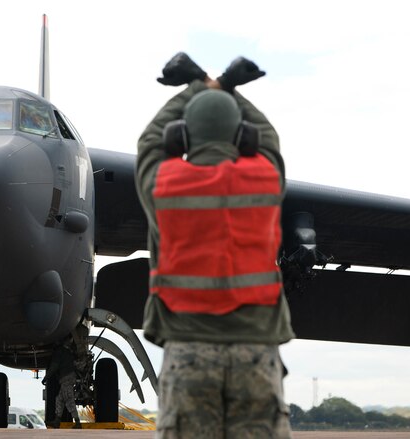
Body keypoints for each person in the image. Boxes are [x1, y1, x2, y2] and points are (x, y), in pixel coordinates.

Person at [136, 53, 294, 438]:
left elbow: (149, 142)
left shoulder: (163, 186)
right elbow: (268, 136)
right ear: (242, 136)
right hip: (255, 352)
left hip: (188, 351)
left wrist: (194, 87)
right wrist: (227, 88)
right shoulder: (267, 180)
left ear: (183, 135)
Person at [42, 339, 82, 429]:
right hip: (67, 378)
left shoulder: (59, 352)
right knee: (59, 399)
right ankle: (57, 421)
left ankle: (78, 423)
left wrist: (46, 378)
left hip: (66, 379)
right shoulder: (67, 351)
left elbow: (54, 367)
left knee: (69, 400)